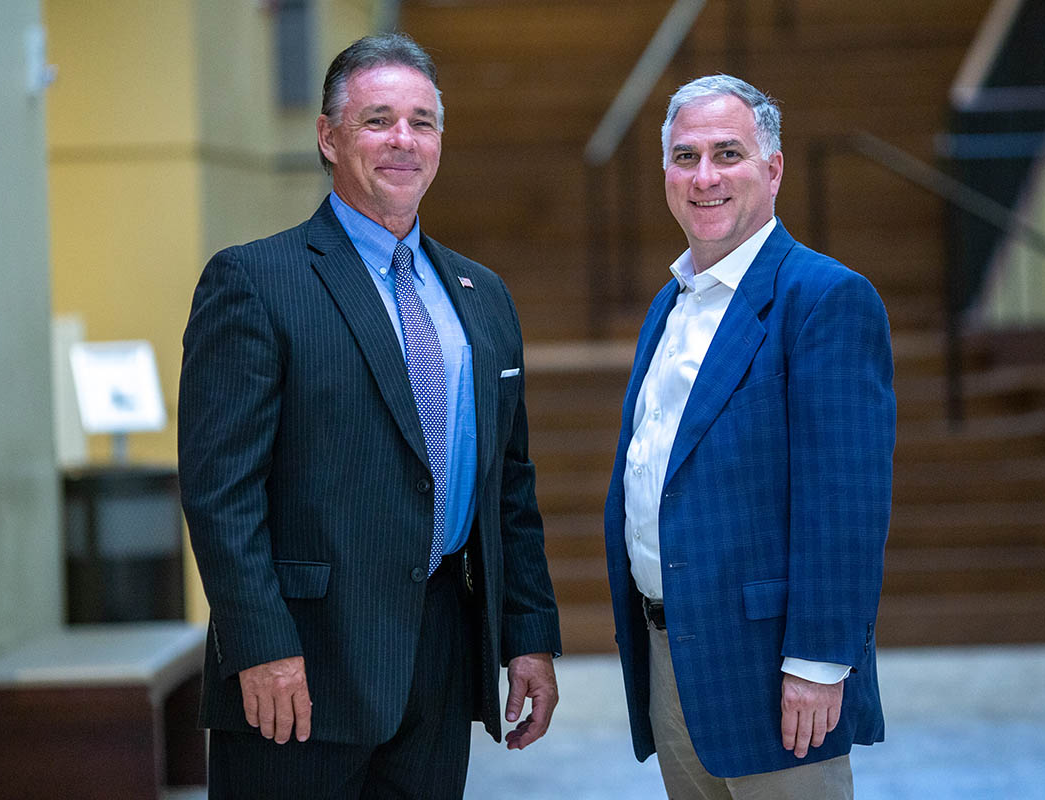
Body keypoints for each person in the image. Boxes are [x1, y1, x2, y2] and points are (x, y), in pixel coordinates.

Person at [178, 33, 561, 799]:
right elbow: (222, 493)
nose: (403, 141)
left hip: (442, 660)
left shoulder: (482, 295)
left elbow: (509, 488)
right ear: (328, 136)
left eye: (422, 122)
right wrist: (261, 645)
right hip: (301, 667)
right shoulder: (255, 282)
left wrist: (529, 637)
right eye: (378, 119)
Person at [603, 74, 896, 799]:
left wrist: (820, 663)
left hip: (776, 671)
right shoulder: (668, 306)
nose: (704, 176)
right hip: (671, 656)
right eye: (685, 156)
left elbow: (846, 500)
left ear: (773, 169)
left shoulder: (824, 299)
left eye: (728, 153)